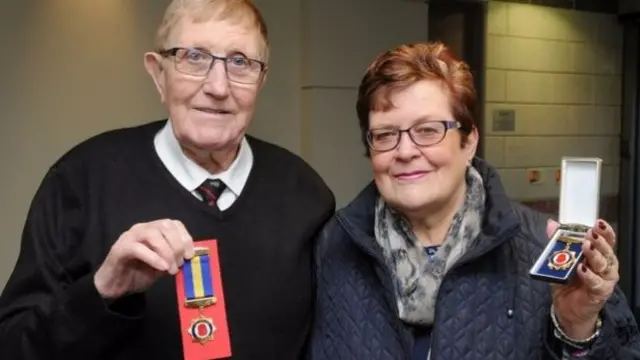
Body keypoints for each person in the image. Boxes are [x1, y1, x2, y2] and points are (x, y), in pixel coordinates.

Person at [0, 1, 335, 359]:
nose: (218, 86)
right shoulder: (82, 181)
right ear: (159, 73)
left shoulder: (305, 194)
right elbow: (13, 347)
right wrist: (102, 291)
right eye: (194, 57)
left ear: (261, 79)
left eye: (240, 62)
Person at [308, 41, 640, 360]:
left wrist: (577, 329)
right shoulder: (333, 247)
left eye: (428, 130)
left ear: (469, 142)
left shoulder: (545, 254)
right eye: (385, 134)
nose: (405, 151)